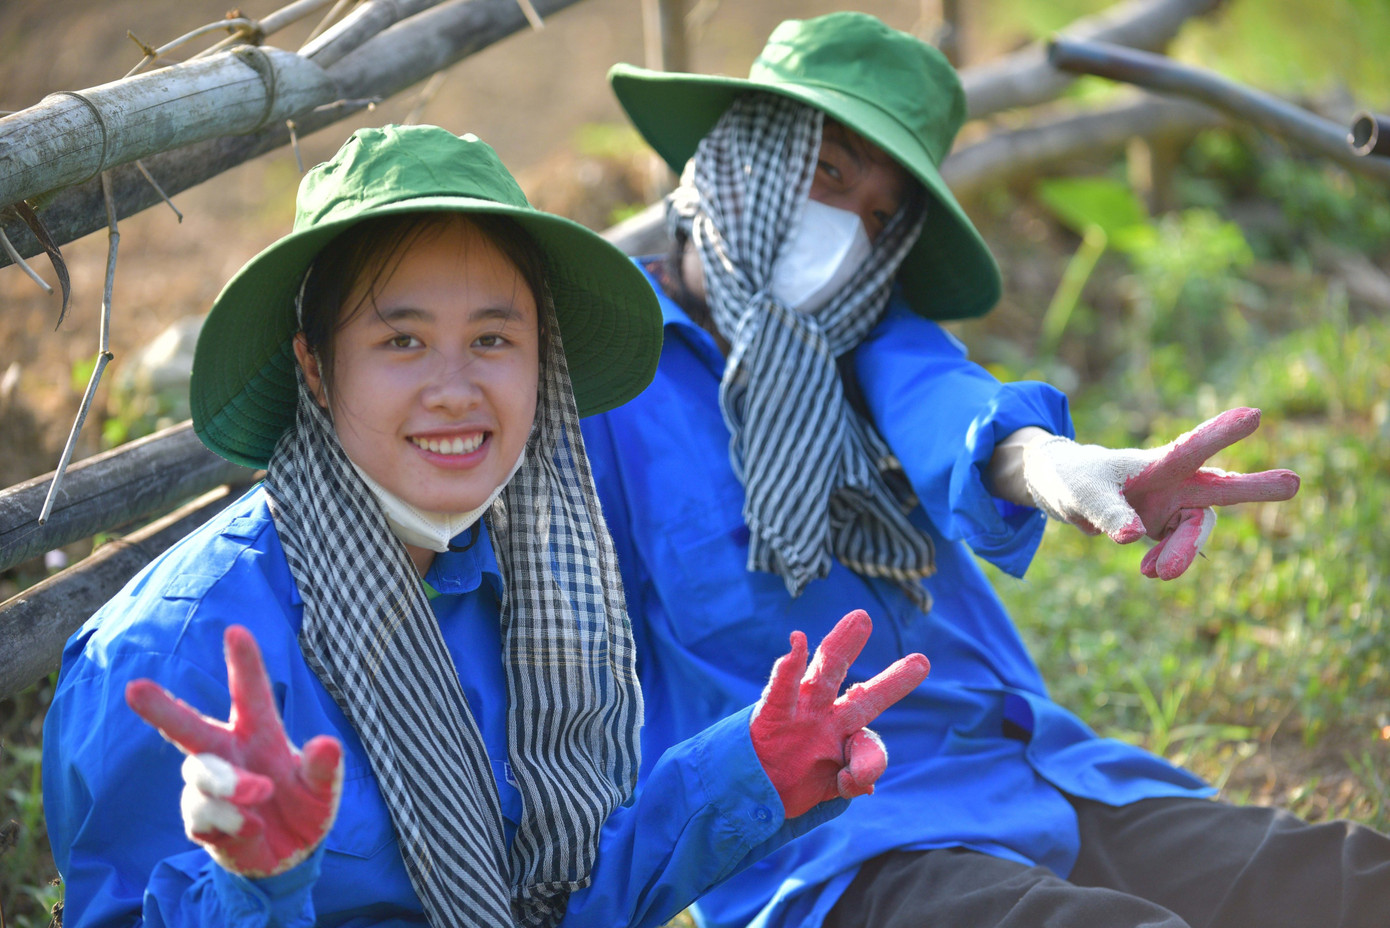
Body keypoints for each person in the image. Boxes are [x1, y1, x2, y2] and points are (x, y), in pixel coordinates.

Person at [579, 12, 1390, 928]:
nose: (845, 228)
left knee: (1349, 882)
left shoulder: (875, 340)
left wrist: (1054, 466)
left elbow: (953, 414)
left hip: (1039, 772)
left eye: (881, 215)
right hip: (846, 848)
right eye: (831, 171)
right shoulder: (603, 384)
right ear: (739, 148)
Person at [40, 124, 931, 928]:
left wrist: (754, 772)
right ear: (315, 368)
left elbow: (558, 904)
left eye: (494, 340)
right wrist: (257, 889)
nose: (457, 389)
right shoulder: (181, 653)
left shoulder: (527, 585)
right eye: (403, 341)